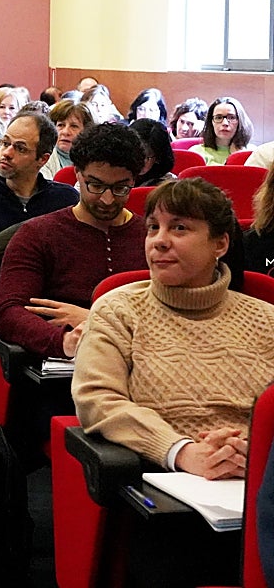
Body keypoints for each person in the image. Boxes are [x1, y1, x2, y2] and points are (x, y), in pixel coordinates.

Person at [74, 178, 274, 586]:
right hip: (166, 489)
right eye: (153, 228)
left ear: (220, 243)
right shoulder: (119, 309)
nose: (159, 241)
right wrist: (181, 451)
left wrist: (250, 452)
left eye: (179, 228)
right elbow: (99, 400)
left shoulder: (266, 319)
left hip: (258, 483)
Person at [0, 123, 148, 360]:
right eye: (95, 186)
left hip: (142, 362)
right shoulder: (37, 234)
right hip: (60, 369)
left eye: (120, 188)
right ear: (77, 173)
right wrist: (66, 341)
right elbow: (10, 313)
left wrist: (96, 321)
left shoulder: (151, 237)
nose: (107, 200)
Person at [0, 112, 80, 280]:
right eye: (5, 143)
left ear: (42, 159)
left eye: (20, 148)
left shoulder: (65, 200)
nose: (7, 153)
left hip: (50, 293)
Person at [190, 96, 253, 165]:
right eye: (218, 117)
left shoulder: (253, 153)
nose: (225, 123)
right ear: (211, 122)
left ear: (240, 121)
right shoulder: (196, 153)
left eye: (232, 117)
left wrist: (239, 157)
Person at [48, 98, 95, 171]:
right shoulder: (44, 159)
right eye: (61, 125)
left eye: (74, 126)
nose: (65, 132)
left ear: (86, 131)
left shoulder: (95, 160)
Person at [130, 118, 177, 185]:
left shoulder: (167, 184)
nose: (138, 161)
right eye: (134, 154)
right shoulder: (115, 173)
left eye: (144, 157)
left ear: (158, 158)